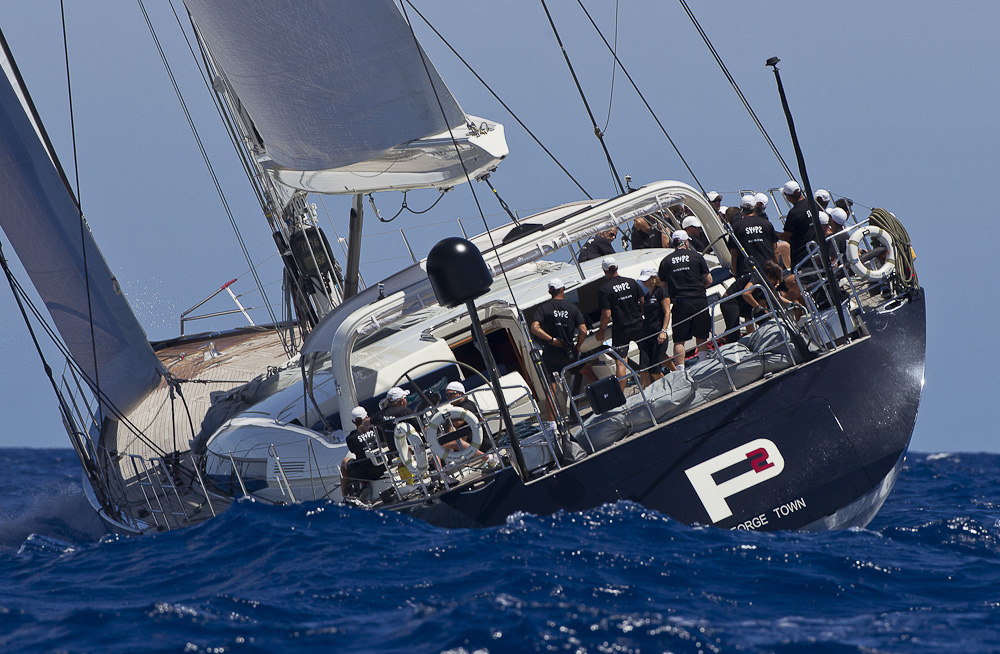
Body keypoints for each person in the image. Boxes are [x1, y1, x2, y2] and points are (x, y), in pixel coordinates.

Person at [658, 231, 712, 372]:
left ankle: (681, 371)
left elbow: (663, 288)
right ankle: (704, 364)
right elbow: (709, 280)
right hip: (699, 300)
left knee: (679, 340)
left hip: (680, 303)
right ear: (686, 242)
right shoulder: (697, 256)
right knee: (702, 335)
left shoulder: (666, 261)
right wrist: (699, 289)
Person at [595, 256, 645, 390]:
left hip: (621, 329)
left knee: (621, 362)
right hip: (639, 324)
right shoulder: (631, 282)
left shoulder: (604, 289)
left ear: (604, 271)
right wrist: (641, 314)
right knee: (648, 354)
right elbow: (643, 301)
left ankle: (621, 395)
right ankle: (668, 376)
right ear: (617, 267)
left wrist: (601, 330)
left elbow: (607, 314)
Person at [340, 406, 387, 497]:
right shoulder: (378, 428)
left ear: (353, 422)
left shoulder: (351, 438)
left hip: (367, 474)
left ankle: (349, 494)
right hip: (385, 466)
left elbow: (354, 450)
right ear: (367, 416)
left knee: (345, 462)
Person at [636, 266, 671, 386]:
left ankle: (669, 387)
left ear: (653, 278)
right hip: (647, 334)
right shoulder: (646, 296)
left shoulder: (661, 292)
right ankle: (647, 393)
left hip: (658, 333)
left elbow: (667, 312)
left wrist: (663, 331)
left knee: (655, 370)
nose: (644, 282)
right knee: (644, 369)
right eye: (643, 280)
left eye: (646, 279)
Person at [777, 180, 818, 270]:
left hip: (801, 255)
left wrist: (771, 232)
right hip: (816, 249)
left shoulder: (794, 213)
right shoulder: (812, 204)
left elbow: (785, 236)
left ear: (787, 196)